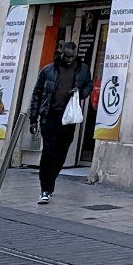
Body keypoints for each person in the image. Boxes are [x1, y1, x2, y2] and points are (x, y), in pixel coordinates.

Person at [27, 39, 93, 205]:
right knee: (48, 152)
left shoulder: (83, 69)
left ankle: (50, 182)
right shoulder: (48, 70)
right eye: (67, 56)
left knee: (61, 152)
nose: (69, 59)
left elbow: (88, 86)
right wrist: (33, 118)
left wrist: (80, 92)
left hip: (68, 118)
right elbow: (37, 94)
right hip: (49, 116)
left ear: (76, 55)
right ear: (61, 53)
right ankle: (45, 188)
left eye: (72, 57)